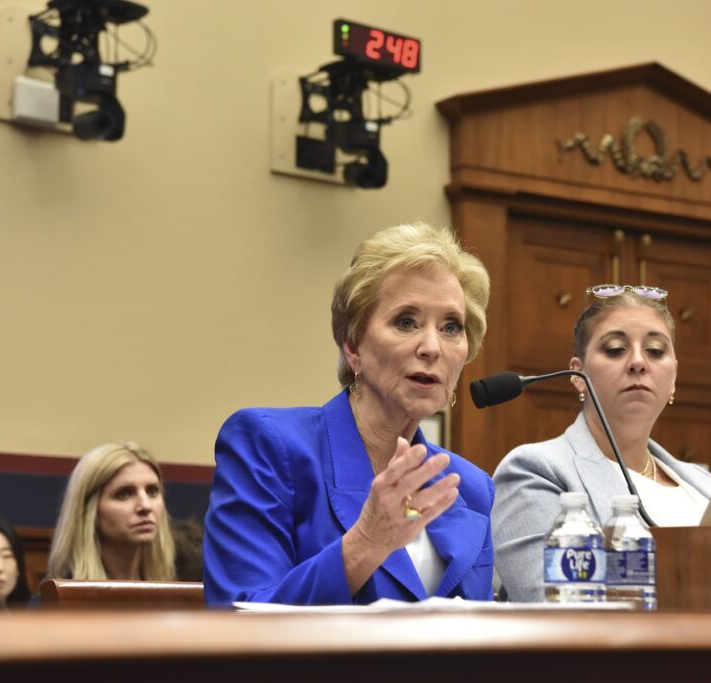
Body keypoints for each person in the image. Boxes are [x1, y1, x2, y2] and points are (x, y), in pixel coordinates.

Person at [204, 222, 494, 606]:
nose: (431, 347)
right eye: (406, 321)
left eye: (451, 327)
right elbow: (238, 619)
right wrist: (365, 543)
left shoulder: (472, 488)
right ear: (353, 345)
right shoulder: (269, 446)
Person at [491, 284, 711, 602]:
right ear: (576, 373)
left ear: (674, 376)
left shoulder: (705, 484)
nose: (639, 362)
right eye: (614, 349)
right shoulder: (534, 471)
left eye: (655, 350)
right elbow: (555, 611)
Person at [46, 442, 175, 582]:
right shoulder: (55, 601)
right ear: (90, 511)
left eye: (152, 491)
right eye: (124, 494)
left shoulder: (174, 597)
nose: (145, 506)